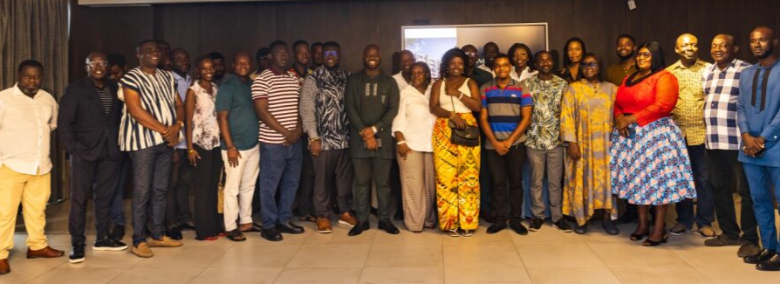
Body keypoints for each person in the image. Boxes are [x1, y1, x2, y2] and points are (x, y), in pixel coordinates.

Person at [611, 41, 696, 246]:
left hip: (656, 136)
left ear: (656, 57)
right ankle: (642, 225)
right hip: (631, 137)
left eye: (646, 55)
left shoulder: (665, 77)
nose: (641, 58)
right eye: (639, 54)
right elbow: (618, 103)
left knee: (658, 184)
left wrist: (630, 119)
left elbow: (663, 105)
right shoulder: (629, 78)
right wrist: (619, 118)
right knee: (638, 182)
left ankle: (659, 228)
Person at [60, 52, 128, 264]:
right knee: (79, 199)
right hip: (84, 152)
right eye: (93, 63)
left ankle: (102, 237)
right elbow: (64, 124)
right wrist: (73, 149)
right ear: (86, 66)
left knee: (105, 197)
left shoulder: (116, 88)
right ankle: (77, 243)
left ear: (108, 66)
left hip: (111, 152)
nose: (98, 66)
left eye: (102, 63)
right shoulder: (74, 89)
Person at [120, 40, 185, 257]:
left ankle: (157, 235)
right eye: (148, 51)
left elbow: (179, 105)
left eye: (156, 50)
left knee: (160, 189)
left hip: (166, 143)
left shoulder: (167, 76)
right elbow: (135, 110)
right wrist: (167, 130)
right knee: (142, 191)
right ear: (138, 54)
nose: (154, 53)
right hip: (142, 143)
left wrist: (177, 126)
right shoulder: (131, 77)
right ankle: (138, 240)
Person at [0, 60, 64, 275]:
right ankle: (0, 254)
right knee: (5, 213)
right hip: (10, 164)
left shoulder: (48, 99)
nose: (32, 80)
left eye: (37, 76)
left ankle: (37, 246)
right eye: (28, 76)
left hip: (40, 165)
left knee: (37, 210)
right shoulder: (4, 98)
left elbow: (51, 126)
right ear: (18, 75)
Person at [701, 34, 760, 257]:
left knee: (746, 192)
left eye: (723, 45)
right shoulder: (708, 71)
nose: (717, 49)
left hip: (738, 141)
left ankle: (750, 238)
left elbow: (751, 106)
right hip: (714, 140)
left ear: (734, 48)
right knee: (719, 188)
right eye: (714, 45)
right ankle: (729, 232)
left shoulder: (747, 70)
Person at [300, 41, 358, 234]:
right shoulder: (313, 79)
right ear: (322, 57)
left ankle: (344, 212)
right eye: (327, 53)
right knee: (321, 182)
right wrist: (313, 138)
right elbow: (307, 109)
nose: (331, 56)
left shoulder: (347, 77)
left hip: (345, 139)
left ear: (339, 55)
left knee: (344, 181)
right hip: (322, 141)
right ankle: (322, 216)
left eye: (335, 52)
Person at [345, 44, 401, 236]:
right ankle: (362, 220)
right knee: (361, 183)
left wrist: (375, 129)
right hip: (358, 140)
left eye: (375, 55)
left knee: (384, 183)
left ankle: (384, 220)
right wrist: (364, 131)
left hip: (383, 139)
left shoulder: (389, 82)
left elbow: (393, 109)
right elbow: (350, 107)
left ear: (380, 57)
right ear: (363, 56)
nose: (372, 57)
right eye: (368, 54)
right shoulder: (354, 80)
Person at [252, 40, 306, 242]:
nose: (285, 56)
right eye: (280, 53)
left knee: (291, 183)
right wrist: (286, 133)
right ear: (270, 57)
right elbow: (262, 113)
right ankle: (268, 224)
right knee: (269, 184)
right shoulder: (262, 80)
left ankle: (284, 219)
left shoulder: (293, 79)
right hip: (273, 143)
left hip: (294, 142)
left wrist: (298, 130)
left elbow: (298, 107)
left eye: (286, 53)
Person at [560, 53, 619, 235]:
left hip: (606, 144)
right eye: (585, 65)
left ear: (600, 66)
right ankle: (582, 219)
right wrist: (571, 143)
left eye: (593, 63)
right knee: (582, 179)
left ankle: (607, 218)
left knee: (608, 181)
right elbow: (566, 116)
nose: (589, 67)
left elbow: (620, 115)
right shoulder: (573, 89)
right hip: (583, 145)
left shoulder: (611, 89)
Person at [737, 26, 780, 271]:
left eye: (762, 40)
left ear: (773, 41)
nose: (756, 44)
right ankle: (770, 247)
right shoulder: (746, 73)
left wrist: (762, 139)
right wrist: (746, 136)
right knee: (759, 200)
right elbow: (740, 107)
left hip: (775, 147)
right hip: (749, 148)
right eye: (752, 40)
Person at [666, 33, 716, 238]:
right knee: (681, 179)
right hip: (677, 134)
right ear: (677, 49)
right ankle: (683, 220)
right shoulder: (669, 73)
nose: (689, 48)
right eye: (685, 45)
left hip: (701, 133)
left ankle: (704, 221)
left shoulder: (708, 70)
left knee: (704, 179)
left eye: (693, 44)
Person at [430, 48, 482, 237]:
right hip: (444, 130)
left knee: (469, 177)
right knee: (445, 178)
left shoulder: (471, 82)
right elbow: (433, 106)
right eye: (452, 63)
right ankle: (450, 222)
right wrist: (452, 115)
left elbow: (477, 106)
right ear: (446, 65)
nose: (456, 67)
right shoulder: (439, 83)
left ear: (464, 66)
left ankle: (468, 222)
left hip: (467, 130)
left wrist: (457, 94)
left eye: (460, 63)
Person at [479, 54, 533, 235]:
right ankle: (500, 219)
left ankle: (516, 220)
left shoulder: (521, 88)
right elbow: (483, 118)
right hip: (492, 146)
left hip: (515, 144)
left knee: (516, 183)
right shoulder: (485, 88)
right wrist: (495, 142)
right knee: (498, 183)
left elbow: (526, 118)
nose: (501, 68)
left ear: (510, 67)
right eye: (498, 65)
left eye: (505, 65)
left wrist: (509, 142)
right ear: (493, 68)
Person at [523, 51, 572, 233]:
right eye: (541, 60)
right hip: (534, 140)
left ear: (553, 62)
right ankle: (537, 216)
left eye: (548, 59)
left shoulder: (563, 84)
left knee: (554, 182)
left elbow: (567, 113)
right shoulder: (526, 84)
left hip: (556, 141)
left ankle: (558, 217)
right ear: (535, 63)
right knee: (535, 181)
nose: (545, 62)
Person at [217, 52, 260, 241]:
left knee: (248, 185)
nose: (243, 66)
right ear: (233, 65)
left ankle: (246, 220)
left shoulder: (252, 85)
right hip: (235, 147)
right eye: (239, 63)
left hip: (253, 144)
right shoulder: (227, 87)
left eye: (247, 62)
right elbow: (222, 117)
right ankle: (230, 226)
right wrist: (230, 146)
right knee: (232, 188)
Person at [393, 62, 437, 232]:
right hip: (410, 144)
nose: (416, 75)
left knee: (430, 186)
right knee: (413, 185)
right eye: (413, 73)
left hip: (432, 145)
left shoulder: (434, 90)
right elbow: (397, 120)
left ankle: (427, 218)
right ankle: (414, 222)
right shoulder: (405, 93)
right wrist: (401, 141)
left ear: (427, 74)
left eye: (420, 72)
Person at [185, 56, 223, 241]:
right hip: (200, 145)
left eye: (211, 67)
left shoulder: (215, 88)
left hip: (216, 144)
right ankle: (204, 230)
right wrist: (190, 149)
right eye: (204, 68)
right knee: (202, 187)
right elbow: (188, 120)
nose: (209, 70)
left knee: (213, 186)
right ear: (198, 70)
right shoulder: (193, 91)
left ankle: (215, 225)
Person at [167, 48, 195, 240]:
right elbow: (170, 112)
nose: (183, 61)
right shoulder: (168, 79)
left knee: (184, 182)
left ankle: (185, 217)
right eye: (179, 59)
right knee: (171, 183)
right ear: (171, 61)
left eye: (186, 58)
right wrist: (174, 146)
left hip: (189, 141)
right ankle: (171, 222)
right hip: (176, 141)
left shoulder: (190, 79)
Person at [289, 40, 316, 224]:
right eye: (301, 52)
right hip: (292, 130)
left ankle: (306, 208)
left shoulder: (314, 74)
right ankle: (289, 208)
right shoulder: (288, 74)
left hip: (310, 131)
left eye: (307, 52)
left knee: (309, 172)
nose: (305, 55)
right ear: (294, 55)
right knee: (292, 172)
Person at [106, 53, 130, 240]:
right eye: (110, 74)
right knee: (115, 186)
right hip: (114, 146)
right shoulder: (106, 90)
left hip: (137, 144)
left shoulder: (134, 85)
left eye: (117, 73)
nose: (114, 77)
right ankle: (117, 222)